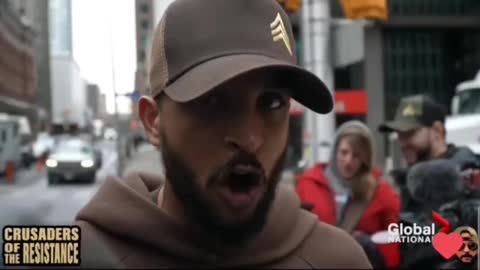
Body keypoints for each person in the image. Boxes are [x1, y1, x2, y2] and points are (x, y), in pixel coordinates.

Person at [73, 0, 372, 268]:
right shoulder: (77, 254)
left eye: (271, 103)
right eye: (213, 102)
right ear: (153, 122)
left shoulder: (338, 259)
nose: (250, 138)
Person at [296, 121, 400, 268]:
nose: (348, 161)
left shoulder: (380, 190)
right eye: (344, 152)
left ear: (365, 159)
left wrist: (368, 242)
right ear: (334, 151)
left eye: (356, 155)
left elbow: (394, 239)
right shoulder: (308, 183)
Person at [378, 94, 479, 212]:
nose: (403, 143)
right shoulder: (409, 181)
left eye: (409, 133)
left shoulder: (468, 175)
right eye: (400, 135)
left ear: (437, 130)